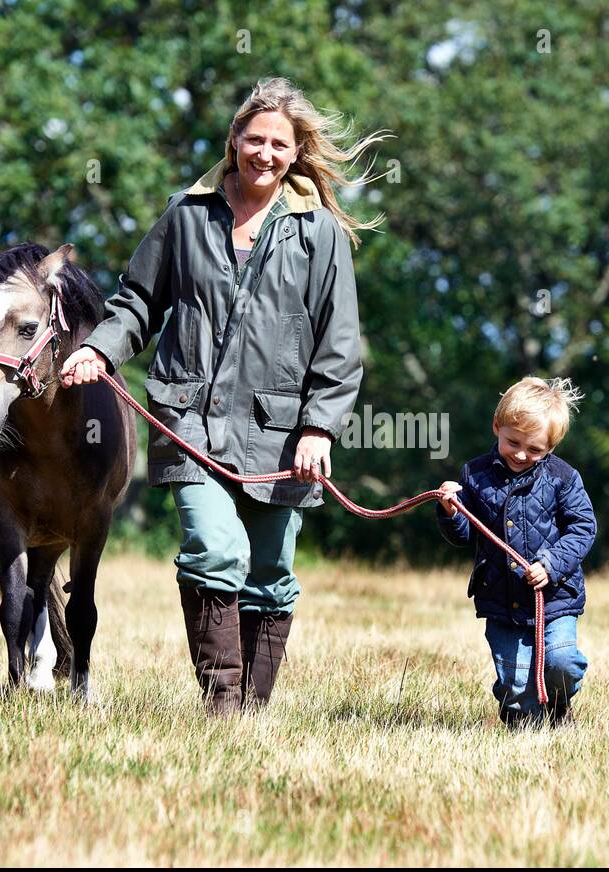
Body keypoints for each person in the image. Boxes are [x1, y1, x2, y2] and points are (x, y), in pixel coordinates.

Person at [60, 77, 390, 715]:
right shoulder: (186, 215)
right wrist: (99, 348)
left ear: (296, 153)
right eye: (253, 139)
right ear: (234, 138)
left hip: (285, 434)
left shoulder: (319, 234)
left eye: (278, 144)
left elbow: (340, 343)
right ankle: (221, 707)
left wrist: (320, 428)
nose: (264, 153)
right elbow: (137, 303)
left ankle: (249, 716)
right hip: (189, 422)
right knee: (215, 549)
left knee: (270, 575)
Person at [435, 376, 597, 728]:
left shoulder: (563, 477)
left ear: (552, 447)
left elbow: (583, 528)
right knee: (515, 678)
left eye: (535, 449)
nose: (522, 454)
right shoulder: (474, 475)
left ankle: (559, 705)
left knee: (562, 662)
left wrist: (551, 565)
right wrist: (450, 511)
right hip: (501, 597)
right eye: (513, 442)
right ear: (497, 426)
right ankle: (520, 720)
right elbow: (465, 536)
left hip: (553, 596)